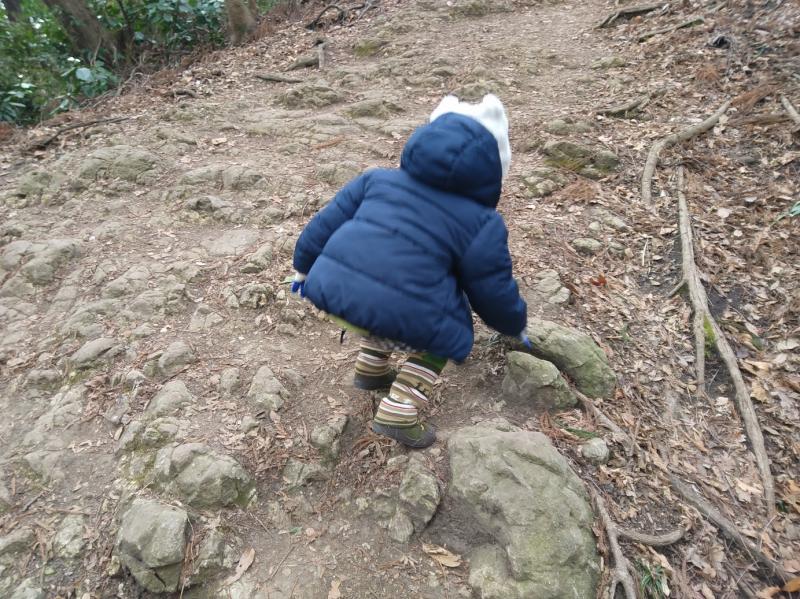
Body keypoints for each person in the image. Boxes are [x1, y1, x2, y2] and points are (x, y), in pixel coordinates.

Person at [291, 93, 529, 448]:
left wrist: (302, 268)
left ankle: (372, 370)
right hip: (387, 310)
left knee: (391, 303)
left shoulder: (375, 180)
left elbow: (323, 224)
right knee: (449, 326)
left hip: (334, 294)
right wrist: (514, 324)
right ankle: (400, 410)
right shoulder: (481, 222)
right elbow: (491, 288)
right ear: (493, 168)